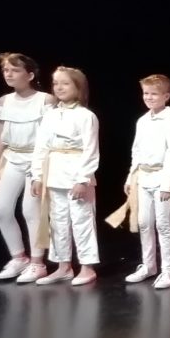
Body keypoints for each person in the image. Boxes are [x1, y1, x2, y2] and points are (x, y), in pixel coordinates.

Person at [108, 74, 170, 290]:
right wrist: (131, 176)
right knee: (144, 222)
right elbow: (137, 151)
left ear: (166, 96)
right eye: (146, 93)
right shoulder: (142, 121)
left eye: (154, 94)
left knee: (163, 224)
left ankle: (168, 270)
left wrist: (168, 183)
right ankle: (149, 265)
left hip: (161, 177)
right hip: (144, 177)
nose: (149, 97)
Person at [0, 52, 55, 283]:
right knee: (1, 209)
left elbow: (51, 135)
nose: (9, 74)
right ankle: (19, 258)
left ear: (30, 75)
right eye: (6, 70)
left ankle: (38, 263)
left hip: (37, 159)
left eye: (15, 70)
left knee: (30, 210)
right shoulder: (5, 101)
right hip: (12, 157)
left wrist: (43, 167)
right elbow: (1, 136)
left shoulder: (45, 100)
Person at [30, 67, 100, 286]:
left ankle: (87, 267)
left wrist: (82, 179)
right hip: (54, 174)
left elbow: (90, 150)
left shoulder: (86, 116)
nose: (59, 87)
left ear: (78, 87)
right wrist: (37, 175)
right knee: (58, 222)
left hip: (76, 174)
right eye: (56, 83)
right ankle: (63, 266)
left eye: (65, 83)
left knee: (81, 221)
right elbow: (41, 147)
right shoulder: (50, 115)